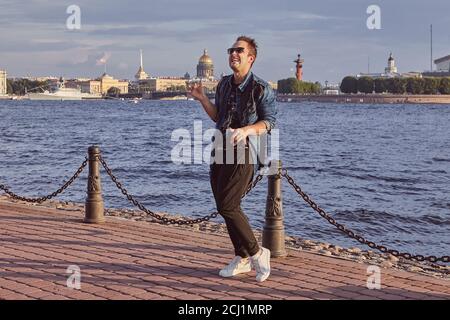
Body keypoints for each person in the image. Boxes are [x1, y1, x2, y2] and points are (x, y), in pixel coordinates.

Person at [188, 36, 277, 282]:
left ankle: (259, 253)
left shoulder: (261, 88)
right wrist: (203, 99)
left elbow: (270, 122)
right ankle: (242, 257)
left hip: (246, 150)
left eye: (239, 50)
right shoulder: (224, 84)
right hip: (220, 148)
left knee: (228, 204)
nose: (233, 54)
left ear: (251, 57)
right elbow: (219, 115)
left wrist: (246, 130)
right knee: (223, 206)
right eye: (231, 50)